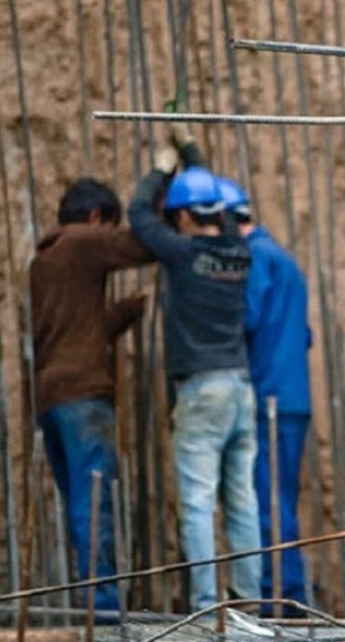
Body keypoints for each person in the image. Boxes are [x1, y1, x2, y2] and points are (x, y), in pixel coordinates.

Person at [127, 124, 261, 613]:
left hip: (202, 390)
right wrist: (191, 153)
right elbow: (215, 204)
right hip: (240, 387)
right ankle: (247, 601)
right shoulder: (238, 251)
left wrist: (163, 167)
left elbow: (139, 214)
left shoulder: (183, 255)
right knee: (242, 500)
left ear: (182, 215)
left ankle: (206, 604)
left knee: (199, 502)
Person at [30, 178, 154, 614]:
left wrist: (125, 312)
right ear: (97, 218)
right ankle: (101, 609)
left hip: (50, 397)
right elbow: (142, 246)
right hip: (83, 395)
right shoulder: (83, 243)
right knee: (94, 503)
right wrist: (155, 197)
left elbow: (79, 330)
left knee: (80, 503)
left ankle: (95, 603)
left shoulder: (44, 258)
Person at [216, 176, 313, 616]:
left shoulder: (254, 259)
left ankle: (284, 600)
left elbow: (246, 318)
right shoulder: (285, 260)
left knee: (268, 501)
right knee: (280, 497)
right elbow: (303, 334)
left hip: (268, 397)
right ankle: (286, 595)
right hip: (293, 396)